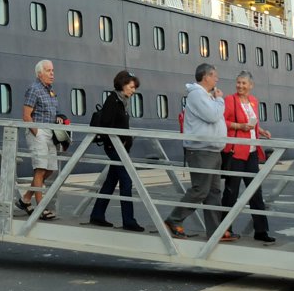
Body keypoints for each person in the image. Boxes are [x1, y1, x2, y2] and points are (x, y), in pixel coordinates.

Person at [163, 63, 237, 242]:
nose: (217, 79)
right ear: (206, 76)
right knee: (200, 190)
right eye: (214, 76)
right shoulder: (197, 94)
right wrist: (220, 100)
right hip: (201, 150)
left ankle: (215, 231)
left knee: (213, 192)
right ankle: (174, 220)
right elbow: (212, 116)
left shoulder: (206, 95)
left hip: (212, 150)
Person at [221, 70, 275, 243]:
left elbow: (252, 122)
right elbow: (222, 121)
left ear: (251, 85)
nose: (240, 86)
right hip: (236, 152)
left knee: (255, 192)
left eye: (244, 83)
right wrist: (239, 126)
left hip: (252, 152)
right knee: (231, 192)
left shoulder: (253, 101)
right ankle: (225, 229)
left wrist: (261, 130)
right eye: (238, 82)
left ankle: (261, 231)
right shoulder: (230, 100)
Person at [89, 69, 146, 232]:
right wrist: (121, 140)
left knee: (111, 181)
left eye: (135, 88)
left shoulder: (122, 100)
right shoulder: (113, 100)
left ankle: (97, 214)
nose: (133, 91)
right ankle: (128, 220)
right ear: (122, 84)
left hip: (121, 148)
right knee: (126, 181)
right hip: (114, 147)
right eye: (131, 87)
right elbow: (107, 124)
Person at [20, 59, 60, 220]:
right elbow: (26, 115)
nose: (52, 73)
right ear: (39, 73)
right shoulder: (34, 89)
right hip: (38, 132)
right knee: (40, 169)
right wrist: (37, 133)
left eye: (52, 70)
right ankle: (40, 208)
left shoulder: (50, 91)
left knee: (50, 169)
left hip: (50, 132)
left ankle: (26, 199)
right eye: (49, 71)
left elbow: (53, 112)